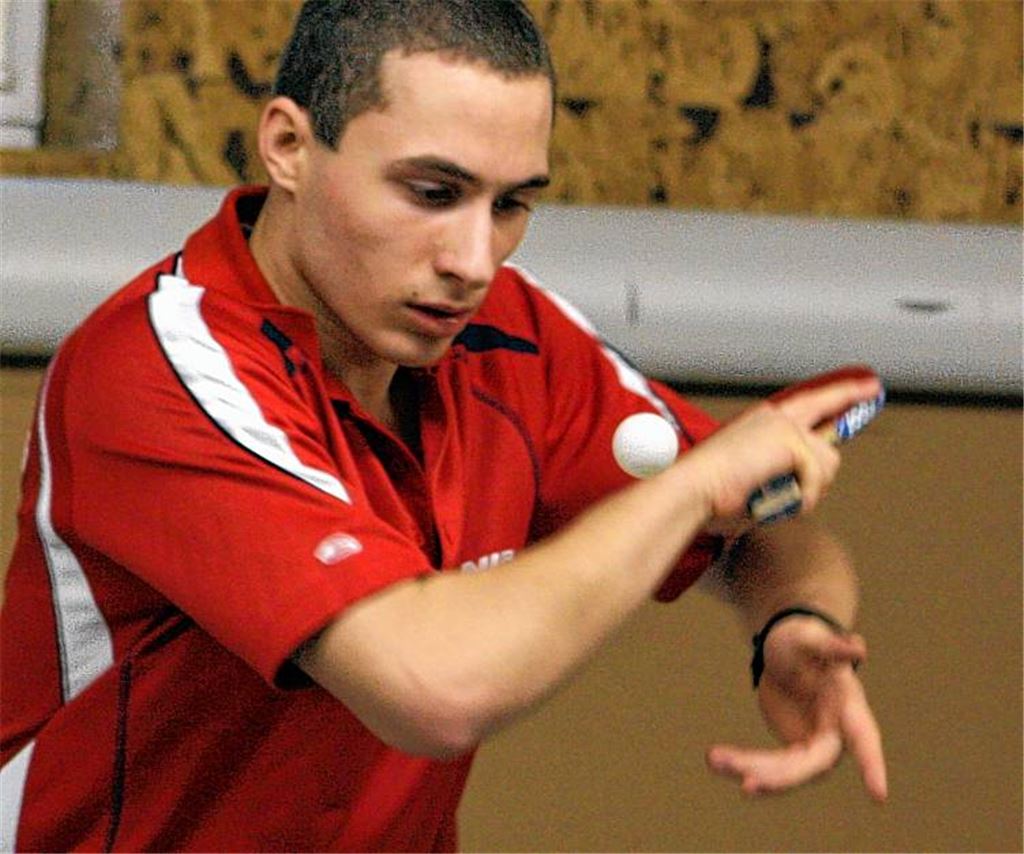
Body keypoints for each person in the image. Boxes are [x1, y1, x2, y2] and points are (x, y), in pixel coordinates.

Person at [0, 1, 888, 850]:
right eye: (432, 192)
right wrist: (694, 489)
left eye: (509, 206)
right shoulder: (157, 370)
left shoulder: (508, 334)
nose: (472, 261)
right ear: (288, 148)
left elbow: (755, 533)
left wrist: (795, 619)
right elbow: (434, 688)